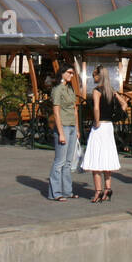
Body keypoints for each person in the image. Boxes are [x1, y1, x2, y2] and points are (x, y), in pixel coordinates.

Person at [82, 66, 128, 202]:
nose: (93, 77)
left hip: (100, 126)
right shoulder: (111, 91)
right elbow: (124, 103)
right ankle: (108, 188)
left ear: (98, 76)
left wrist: (96, 122)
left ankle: (98, 191)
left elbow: (96, 107)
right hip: (109, 126)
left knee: (96, 158)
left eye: (94, 75)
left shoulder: (97, 91)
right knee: (107, 156)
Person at [48, 65, 81, 201]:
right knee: (60, 161)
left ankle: (67, 191)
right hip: (63, 126)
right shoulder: (57, 90)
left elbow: (74, 109)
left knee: (68, 162)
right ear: (62, 73)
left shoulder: (70, 88)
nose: (71, 75)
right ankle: (55, 192)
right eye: (69, 72)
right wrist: (60, 132)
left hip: (72, 126)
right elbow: (56, 112)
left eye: (72, 73)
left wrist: (77, 128)